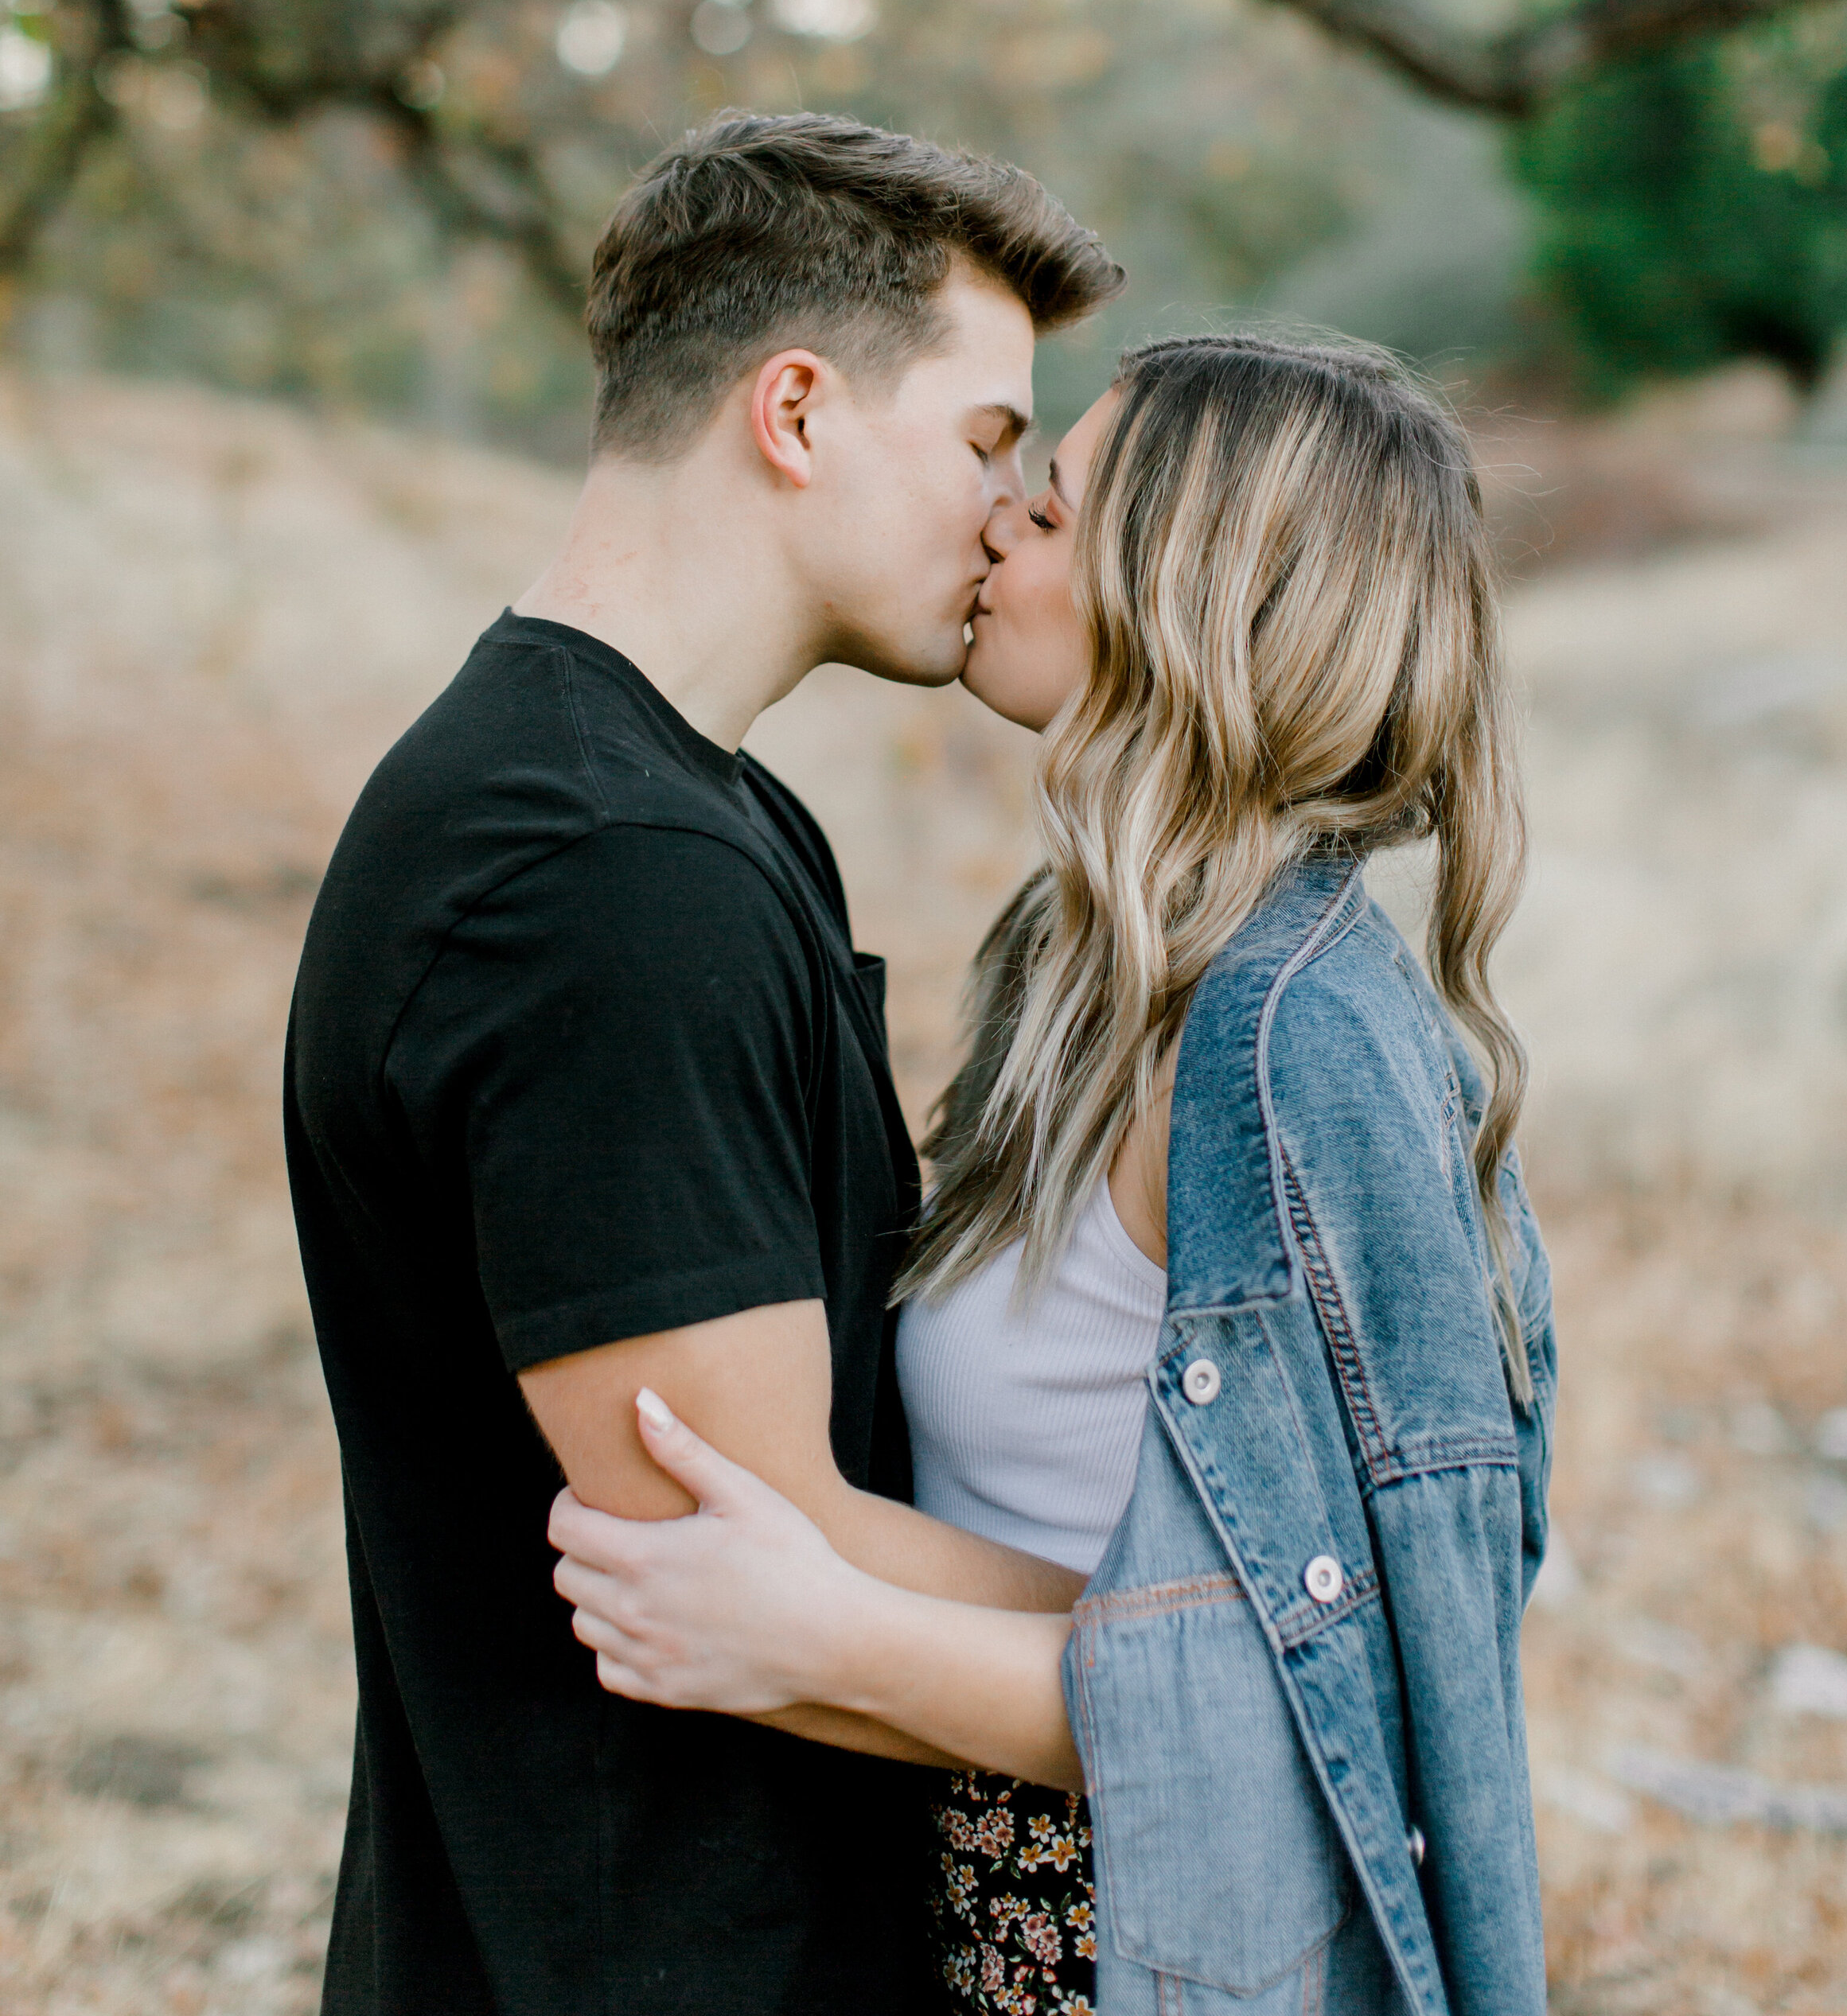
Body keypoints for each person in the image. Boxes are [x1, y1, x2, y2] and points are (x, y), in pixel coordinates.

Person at [547, 332, 1558, 2016]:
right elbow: (1113, 1565)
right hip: (997, 1908)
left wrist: (821, 1637)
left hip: (1168, 1952)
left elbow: (1328, 1697)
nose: (999, 520)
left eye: (1059, 503)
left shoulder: (1290, 1048)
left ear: (1187, 597)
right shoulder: (1081, 965)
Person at [283, 111, 1124, 2015]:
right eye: (991, 445)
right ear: (799, 412)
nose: (1012, 515)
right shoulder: (602, 881)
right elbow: (758, 1561)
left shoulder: (698, 816)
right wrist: (1230, 1663)